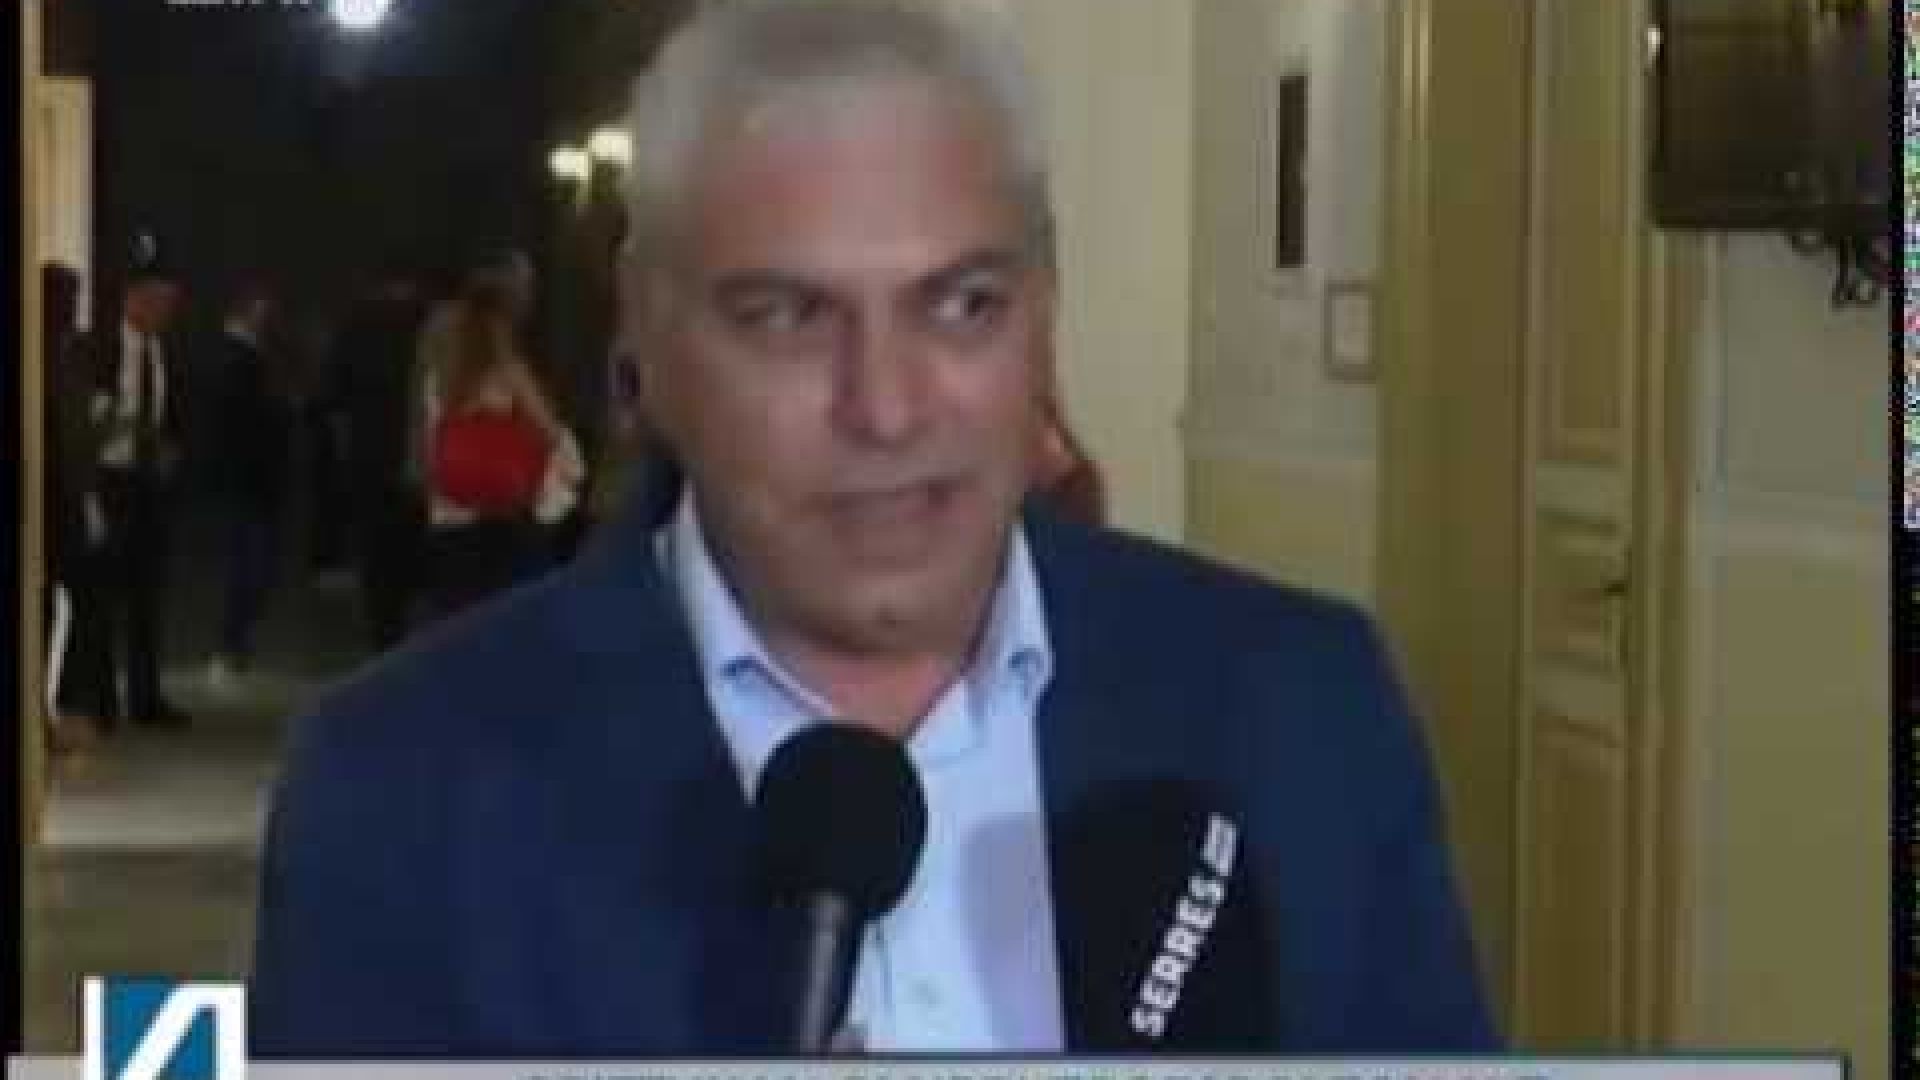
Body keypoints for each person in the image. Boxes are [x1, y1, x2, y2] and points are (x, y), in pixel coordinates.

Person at [251, 0, 1493, 1055]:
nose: (887, 409)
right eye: (788, 317)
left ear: (1044, 312)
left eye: (961, 304)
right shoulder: (396, 789)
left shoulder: (1304, 708)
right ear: (649, 338)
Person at [416, 276, 583, 619]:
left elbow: (431, 447)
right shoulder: (510, 373)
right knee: (516, 615)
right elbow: (551, 431)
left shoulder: (440, 379)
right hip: (507, 516)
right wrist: (571, 472)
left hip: (452, 517)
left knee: (460, 615)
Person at [81, 247, 191, 731]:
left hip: (150, 487)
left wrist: (171, 450)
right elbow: (87, 417)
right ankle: (101, 699)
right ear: (132, 299)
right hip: (109, 481)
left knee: (148, 593)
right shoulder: (100, 349)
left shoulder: (166, 353)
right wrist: (117, 427)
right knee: (104, 594)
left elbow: (174, 416)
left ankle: (146, 698)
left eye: (172, 305)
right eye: (159, 302)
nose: (166, 313)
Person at [330, 258, 430, 651]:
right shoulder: (425, 326)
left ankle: (384, 637)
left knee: (376, 556)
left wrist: (344, 454)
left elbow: (334, 399)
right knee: (412, 551)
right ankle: (407, 635)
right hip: (414, 457)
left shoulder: (356, 328)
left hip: (368, 457)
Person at [203, 277, 292, 691]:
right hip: (247, 481)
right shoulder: (240, 361)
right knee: (249, 567)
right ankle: (230, 644)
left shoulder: (243, 358)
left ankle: (233, 643)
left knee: (250, 567)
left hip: (246, 481)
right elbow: (244, 424)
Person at [42, 262, 113, 747]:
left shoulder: (70, 355)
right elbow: (72, 437)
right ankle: (67, 703)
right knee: (64, 603)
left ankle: (71, 701)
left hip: (66, 497)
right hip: (57, 498)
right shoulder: (56, 359)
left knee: (78, 602)